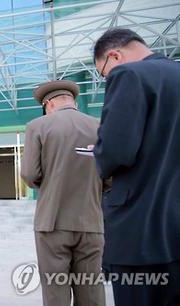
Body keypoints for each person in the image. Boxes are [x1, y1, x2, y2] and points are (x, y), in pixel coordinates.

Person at [93, 28, 180, 306]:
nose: (106, 78)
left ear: (114, 55)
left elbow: (116, 153)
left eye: (103, 73)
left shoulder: (129, 75)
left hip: (141, 230)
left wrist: (99, 153)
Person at [21, 80, 105, 306]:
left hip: (52, 221)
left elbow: (29, 174)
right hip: (91, 221)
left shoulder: (38, 126)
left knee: (55, 291)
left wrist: (52, 185)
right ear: (74, 102)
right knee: (91, 289)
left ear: (48, 104)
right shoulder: (99, 126)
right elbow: (111, 175)